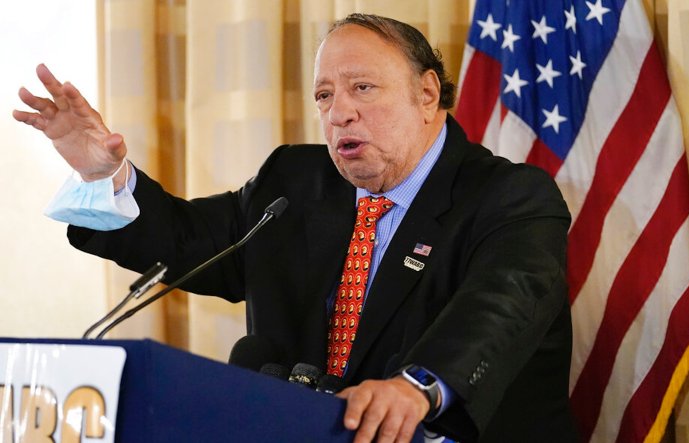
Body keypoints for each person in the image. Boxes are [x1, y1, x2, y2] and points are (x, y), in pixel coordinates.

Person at [14, 13, 576, 443]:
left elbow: (502, 308)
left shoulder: (509, 196)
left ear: (427, 94)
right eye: (324, 96)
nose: (338, 114)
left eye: (363, 88)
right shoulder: (294, 181)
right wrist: (102, 172)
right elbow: (186, 239)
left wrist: (418, 386)